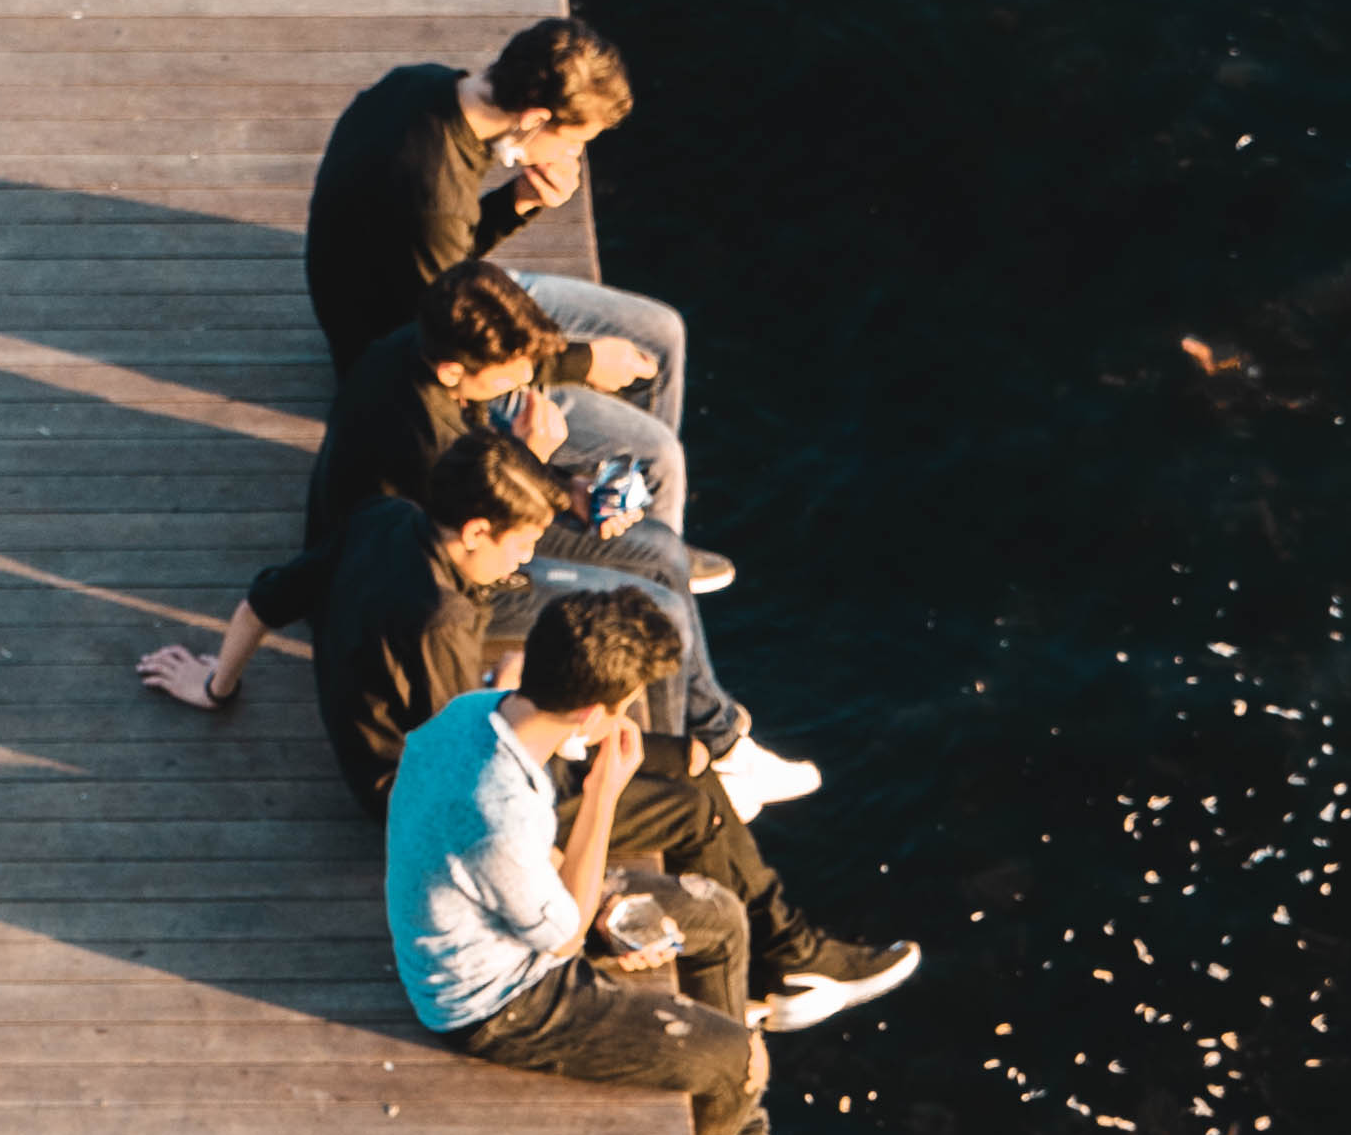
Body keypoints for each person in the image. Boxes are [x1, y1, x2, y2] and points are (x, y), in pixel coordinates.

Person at [137, 436, 919, 1029]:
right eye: (519, 542)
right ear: (476, 531)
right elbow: (477, 771)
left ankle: (749, 912)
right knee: (699, 799)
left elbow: (270, 596)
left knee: (679, 760)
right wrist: (585, 858)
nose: (526, 560)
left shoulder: (385, 520)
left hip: (404, 749)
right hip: (415, 787)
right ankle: (790, 960)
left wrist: (216, 684)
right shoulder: (440, 622)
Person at [385, 588, 847, 1135]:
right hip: (497, 1002)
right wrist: (605, 788)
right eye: (625, 705)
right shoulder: (498, 812)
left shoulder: (472, 715)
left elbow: (526, 859)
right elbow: (565, 934)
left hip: (513, 912)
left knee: (718, 917)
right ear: (592, 713)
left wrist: (602, 911)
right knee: (743, 1061)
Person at [286, 263, 815, 816]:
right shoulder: (424, 436)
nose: (521, 382)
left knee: (660, 549)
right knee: (659, 608)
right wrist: (532, 459)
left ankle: (721, 740)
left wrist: (567, 489)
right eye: (508, 376)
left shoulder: (420, 351)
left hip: (467, 527)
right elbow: (475, 529)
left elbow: (489, 470)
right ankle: (689, 758)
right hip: (437, 570)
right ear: (453, 371)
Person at [302, 16, 718, 575]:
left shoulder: (419, 84)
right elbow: (455, 332)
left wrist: (521, 199)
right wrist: (582, 363)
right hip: (416, 352)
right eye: (575, 141)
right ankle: (644, 559)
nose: (574, 155)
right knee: (657, 453)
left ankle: (623, 507)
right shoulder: (435, 193)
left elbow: (446, 252)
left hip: (428, 289)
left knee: (661, 332)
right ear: (536, 118)